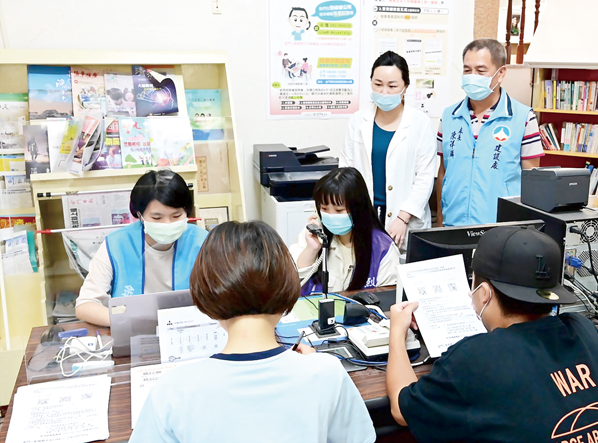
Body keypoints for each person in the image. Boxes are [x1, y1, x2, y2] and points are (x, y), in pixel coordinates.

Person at [130, 221, 375, 443]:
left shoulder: (173, 390)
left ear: (207, 295)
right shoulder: (327, 373)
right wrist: (315, 365)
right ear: (287, 287)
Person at [386, 226, 598, 442]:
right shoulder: (583, 329)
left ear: (484, 293)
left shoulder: (477, 356)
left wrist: (397, 330)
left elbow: (400, 408)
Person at [75, 170, 207, 326]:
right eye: (157, 217)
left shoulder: (203, 242)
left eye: (176, 216)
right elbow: (85, 305)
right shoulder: (117, 244)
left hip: (189, 331)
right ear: (140, 215)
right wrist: (128, 321)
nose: (167, 224)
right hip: (133, 334)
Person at [436, 38, 544, 227]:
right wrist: (440, 220)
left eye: (480, 70)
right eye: (467, 70)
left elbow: (532, 180)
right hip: (453, 225)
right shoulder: (449, 116)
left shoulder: (523, 117)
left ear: (501, 73)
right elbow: (444, 172)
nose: (472, 76)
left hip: (502, 228)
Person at [341, 51, 436, 249]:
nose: (384, 92)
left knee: (401, 274)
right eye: (378, 84)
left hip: (404, 220)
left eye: (392, 86)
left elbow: (425, 177)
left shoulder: (420, 123)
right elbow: (346, 169)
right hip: (365, 214)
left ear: (405, 87)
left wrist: (403, 218)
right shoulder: (358, 121)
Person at [289, 167, 399, 294]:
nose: (331, 215)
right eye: (324, 208)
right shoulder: (312, 235)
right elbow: (293, 282)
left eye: (339, 210)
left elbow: (387, 297)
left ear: (358, 209)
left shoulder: (383, 248)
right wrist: (312, 249)